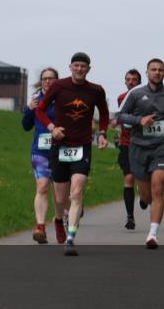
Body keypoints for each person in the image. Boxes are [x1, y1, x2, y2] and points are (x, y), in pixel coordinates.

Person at [34, 52, 110, 256]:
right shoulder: (59, 86)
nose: (79, 69)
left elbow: (104, 113)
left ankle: (70, 238)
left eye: (83, 66)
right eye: (76, 66)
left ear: (88, 69)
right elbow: (40, 110)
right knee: (60, 198)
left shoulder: (96, 90)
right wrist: (52, 128)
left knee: (76, 193)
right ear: (70, 67)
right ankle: (59, 219)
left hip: (82, 146)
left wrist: (102, 133)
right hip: (59, 145)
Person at [117, 58, 164, 249]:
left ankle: (152, 234)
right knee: (147, 196)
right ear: (147, 72)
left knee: (158, 188)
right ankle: (143, 196)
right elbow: (121, 115)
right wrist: (140, 120)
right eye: (153, 69)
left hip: (162, 147)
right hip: (138, 146)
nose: (157, 72)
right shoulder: (136, 93)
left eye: (160, 70)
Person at [22, 67, 62, 244]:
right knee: (43, 186)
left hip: (61, 151)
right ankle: (40, 227)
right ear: (41, 82)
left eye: (51, 78)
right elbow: (25, 126)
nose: (48, 81)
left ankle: (60, 219)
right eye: (45, 78)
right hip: (40, 151)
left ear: (57, 81)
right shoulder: (35, 101)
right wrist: (29, 110)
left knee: (60, 193)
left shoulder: (63, 100)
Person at [112, 69, 141, 230]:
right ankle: (130, 217)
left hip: (144, 143)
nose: (131, 82)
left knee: (144, 181)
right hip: (127, 143)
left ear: (139, 82)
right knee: (129, 179)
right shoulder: (121, 98)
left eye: (134, 80)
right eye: (128, 79)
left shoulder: (147, 97)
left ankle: (143, 196)